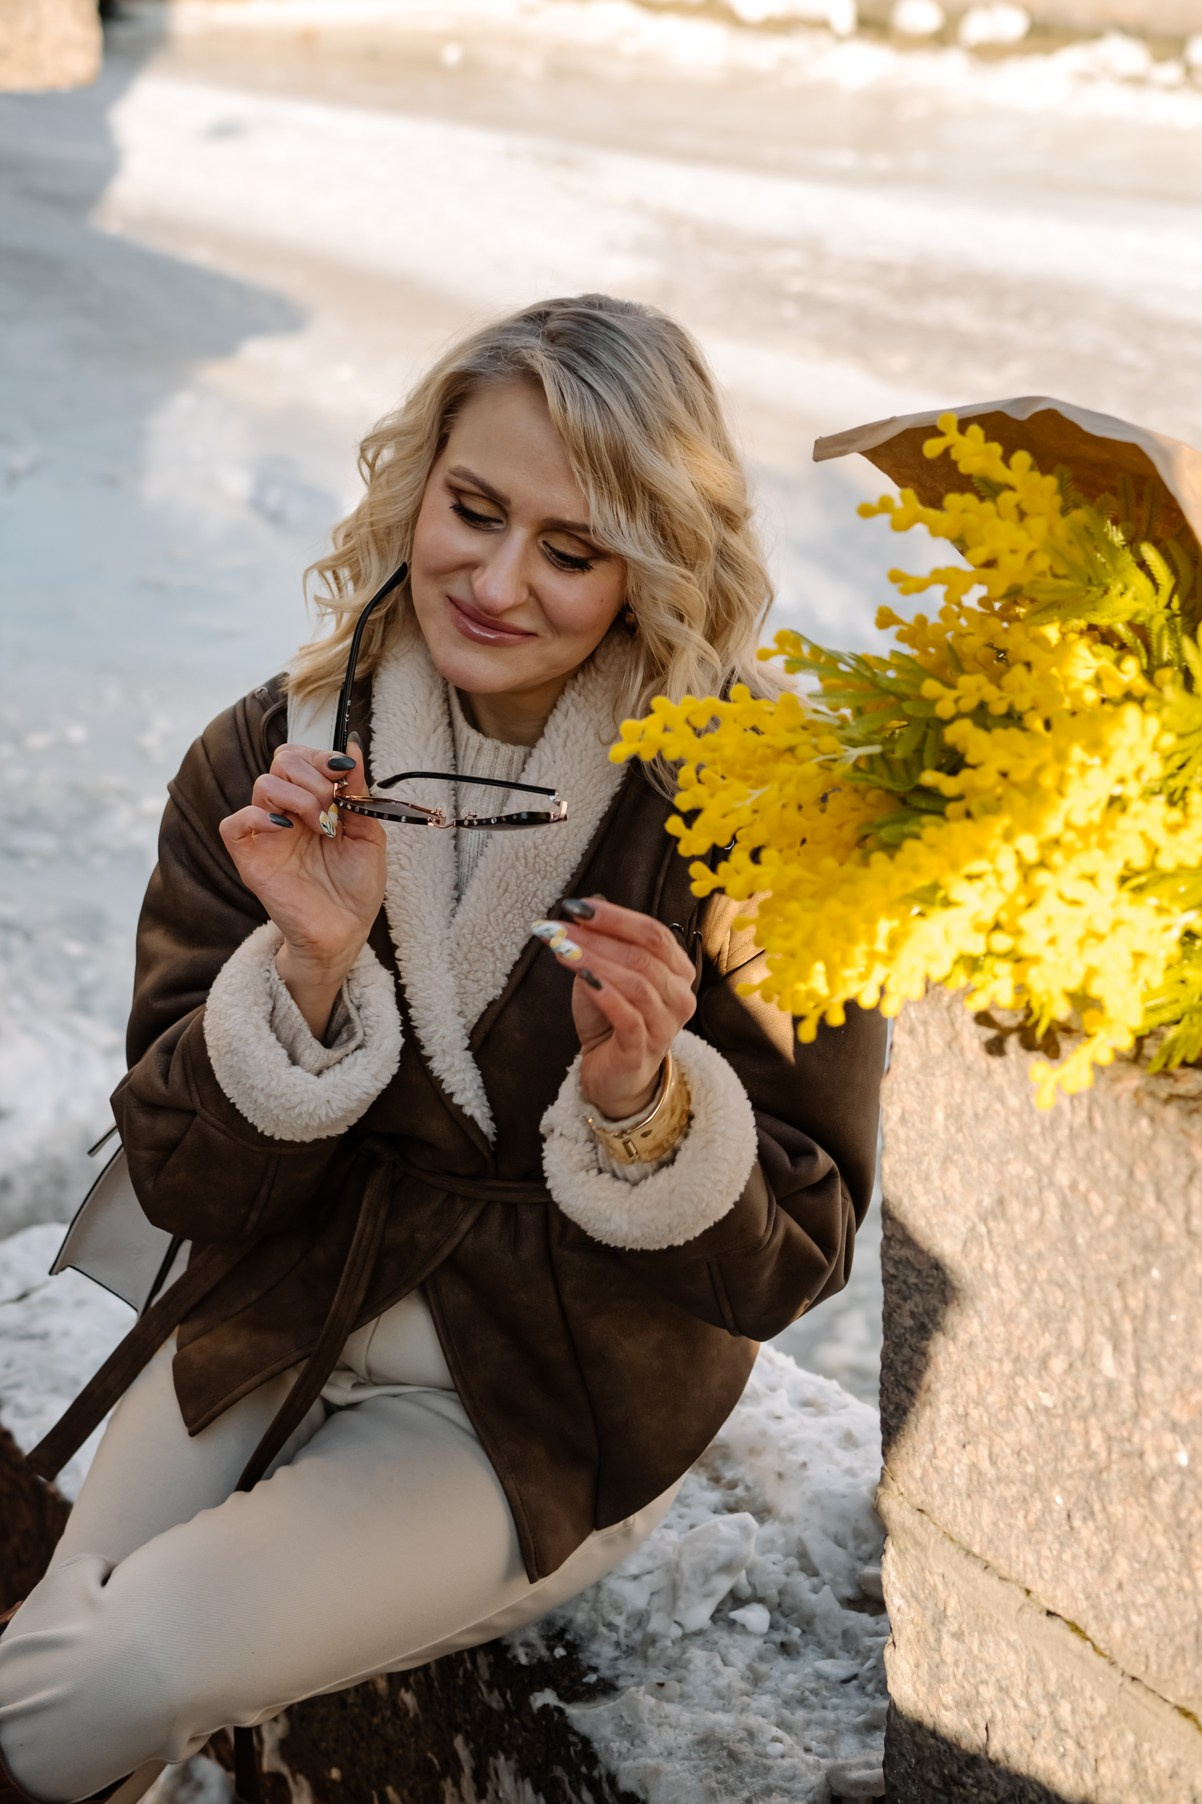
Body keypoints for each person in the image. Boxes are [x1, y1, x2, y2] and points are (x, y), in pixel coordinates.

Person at [0, 294, 887, 1804]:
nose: (496, 580)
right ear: (419, 485)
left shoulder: (761, 820)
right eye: (472, 511)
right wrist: (311, 972)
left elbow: (784, 1261)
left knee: (115, 1669)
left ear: (655, 564)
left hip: (528, 1401)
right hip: (266, 1305)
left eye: (572, 547)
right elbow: (179, 1175)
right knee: (57, 1668)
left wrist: (646, 1111)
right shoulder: (264, 760)